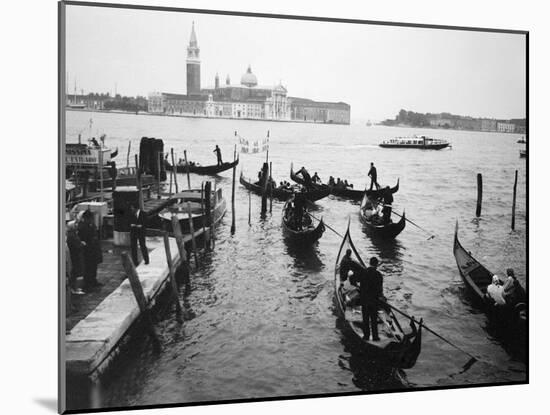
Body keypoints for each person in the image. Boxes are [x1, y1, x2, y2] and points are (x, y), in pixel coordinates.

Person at [354, 257, 383, 341]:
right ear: (376, 265)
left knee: (365, 319)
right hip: (374, 301)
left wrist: (360, 288)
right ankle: (375, 337)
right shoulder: (379, 275)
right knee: (374, 320)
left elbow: (354, 279)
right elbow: (380, 290)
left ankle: (366, 336)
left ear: (369, 263)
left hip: (365, 300)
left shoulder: (363, 272)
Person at [77, 210, 103, 290]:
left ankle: (93, 281)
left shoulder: (92, 225)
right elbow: (82, 238)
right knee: (88, 267)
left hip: (94, 248)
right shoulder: (82, 226)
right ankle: (88, 283)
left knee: (94, 266)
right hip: (88, 250)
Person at [66, 221, 86, 295]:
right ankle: (76, 288)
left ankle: (75, 288)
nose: (77, 225)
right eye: (75, 224)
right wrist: (81, 244)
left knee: (76, 272)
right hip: (76, 256)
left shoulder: (73, 234)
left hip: (76, 255)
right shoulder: (72, 235)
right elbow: (75, 245)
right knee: (77, 272)